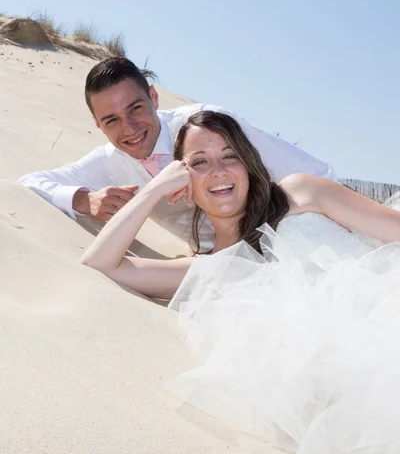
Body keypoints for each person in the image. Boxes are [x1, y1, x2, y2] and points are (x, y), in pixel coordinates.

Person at [81, 111, 400, 453]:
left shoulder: (302, 193)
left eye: (230, 156)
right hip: (355, 404)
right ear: (183, 185)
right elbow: (101, 264)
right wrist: (152, 191)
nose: (218, 170)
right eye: (199, 162)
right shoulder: (210, 271)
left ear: (248, 165)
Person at [18, 57, 336, 247]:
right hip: (223, 269)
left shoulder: (209, 126)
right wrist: (83, 199)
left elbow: (314, 175)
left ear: (154, 97)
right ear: (98, 125)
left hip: (292, 243)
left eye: (136, 108)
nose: (129, 128)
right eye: (111, 120)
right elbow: (29, 183)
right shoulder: (109, 162)